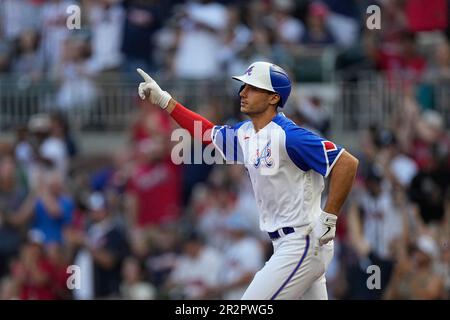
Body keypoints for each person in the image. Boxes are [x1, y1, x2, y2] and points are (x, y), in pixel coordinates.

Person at [136, 61, 359, 300]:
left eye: (252, 87)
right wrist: (164, 100)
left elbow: (346, 162)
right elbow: (207, 134)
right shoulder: (246, 133)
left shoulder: (290, 136)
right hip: (287, 244)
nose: (243, 93)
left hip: (301, 242)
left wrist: (330, 215)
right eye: (244, 86)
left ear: (273, 98)